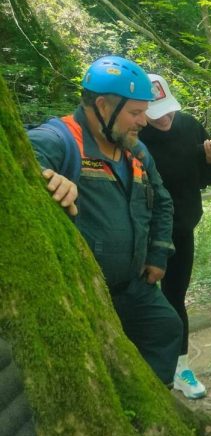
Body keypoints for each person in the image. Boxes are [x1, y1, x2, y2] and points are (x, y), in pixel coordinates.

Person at [28, 56, 182, 386]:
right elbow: (20, 168)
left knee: (165, 327)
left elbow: (163, 203)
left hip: (135, 286)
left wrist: (157, 255)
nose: (143, 121)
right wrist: (45, 176)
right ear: (102, 105)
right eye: (135, 113)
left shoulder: (134, 149)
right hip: (84, 294)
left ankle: (158, 408)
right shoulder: (58, 139)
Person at [139, 74, 211, 399]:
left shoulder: (189, 126)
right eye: (155, 112)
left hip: (181, 229)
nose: (164, 118)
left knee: (175, 298)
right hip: (142, 234)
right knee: (140, 300)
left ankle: (179, 368)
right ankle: (143, 365)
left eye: (168, 110)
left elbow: (208, 178)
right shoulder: (134, 136)